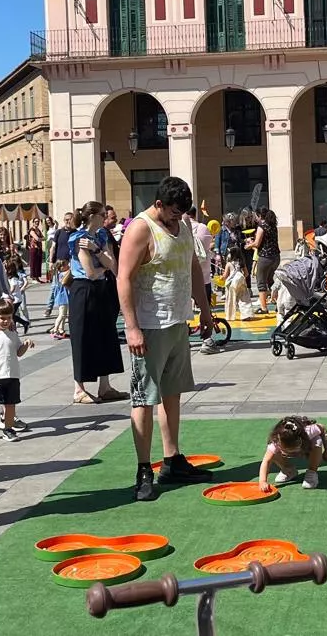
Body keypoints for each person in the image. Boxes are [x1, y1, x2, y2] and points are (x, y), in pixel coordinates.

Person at [119, 176, 215, 501]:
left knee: (172, 393)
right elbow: (124, 278)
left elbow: (194, 267)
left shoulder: (183, 224)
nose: (177, 219)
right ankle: (144, 468)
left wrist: (205, 310)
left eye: (181, 213)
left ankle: (172, 459)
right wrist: (131, 328)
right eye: (173, 213)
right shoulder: (140, 228)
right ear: (158, 204)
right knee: (145, 397)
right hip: (149, 326)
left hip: (177, 321)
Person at [68, 202, 129, 403]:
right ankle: (79, 389)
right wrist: (102, 260)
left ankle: (105, 386)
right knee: (83, 337)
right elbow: (90, 272)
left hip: (101, 289)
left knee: (106, 335)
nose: (105, 217)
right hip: (83, 290)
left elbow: (114, 265)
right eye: (103, 214)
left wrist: (96, 250)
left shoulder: (101, 236)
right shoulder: (78, 238)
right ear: (92, 215)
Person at [0, 297, 32, 442]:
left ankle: (8, 429)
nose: (5, 321)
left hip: (12, 375)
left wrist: (26, 345)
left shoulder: (13, 334)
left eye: (9, 318)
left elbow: (18, 352)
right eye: (2, 318)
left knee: (10, 405)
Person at [257, 415, 327, 490]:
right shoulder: (275, 442)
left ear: (299, 441)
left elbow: (322, 428)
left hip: (307, 448)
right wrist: (262, 481)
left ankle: (312, 471)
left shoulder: (308, 432)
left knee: (317, 440)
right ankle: (288, 470)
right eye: (285, 451)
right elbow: (266, 461)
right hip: (291, 447)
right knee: (272, 453)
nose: (287, 453)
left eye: (291, 450)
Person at [247, 209, 281, 315]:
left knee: (261, 282)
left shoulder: (262, 226)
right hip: (276, 257)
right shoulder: (272, 226)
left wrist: (249, 244)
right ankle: (279, 304)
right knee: (270, 281)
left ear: (260, 216)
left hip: (265, 258)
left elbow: (257, 244)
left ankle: (264, 308)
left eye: (256, 216)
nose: (256, 219)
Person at [222, 245, 248, 324]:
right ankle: (246, 315)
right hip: (241, 281)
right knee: (244, 298)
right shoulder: (241, 263)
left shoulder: (229, 264)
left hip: (232, 283)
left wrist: (221, 277)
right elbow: (246, 273)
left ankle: (230, 316)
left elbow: (225, 276)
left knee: (230, 299)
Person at [48, 260, 72, 338]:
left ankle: (61, 329)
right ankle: (55, 329)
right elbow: (67, 276)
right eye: (65, 265)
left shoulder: (59, 274)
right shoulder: (61, 274)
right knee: (61, 315)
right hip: (62, 297)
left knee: (64, 315)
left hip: (64, 297)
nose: (67, 266)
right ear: (61, 267)